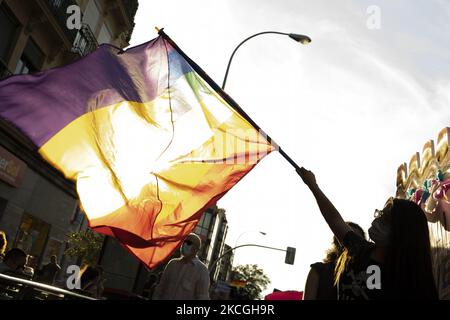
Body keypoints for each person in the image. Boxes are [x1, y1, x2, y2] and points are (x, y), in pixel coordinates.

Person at [297, 167, 438, 300]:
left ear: (402, 233)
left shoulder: (409, 282)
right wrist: (313, 186)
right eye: (380, 214)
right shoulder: (359, 250)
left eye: (385, 219)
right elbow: (334, 219)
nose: (378, 219)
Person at [303, 222, 365, 300]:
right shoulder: (319, 270)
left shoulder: (366, 274)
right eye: (347, 238)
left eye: (356, 240)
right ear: (336, 241)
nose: (352, 243)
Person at [153, 233, 210, 300]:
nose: (184, 244)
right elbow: (160, 288)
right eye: (184, 241)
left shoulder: (202, 270)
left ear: (196, 249)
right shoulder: (172, 264)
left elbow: (202, 297)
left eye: (188, 243)